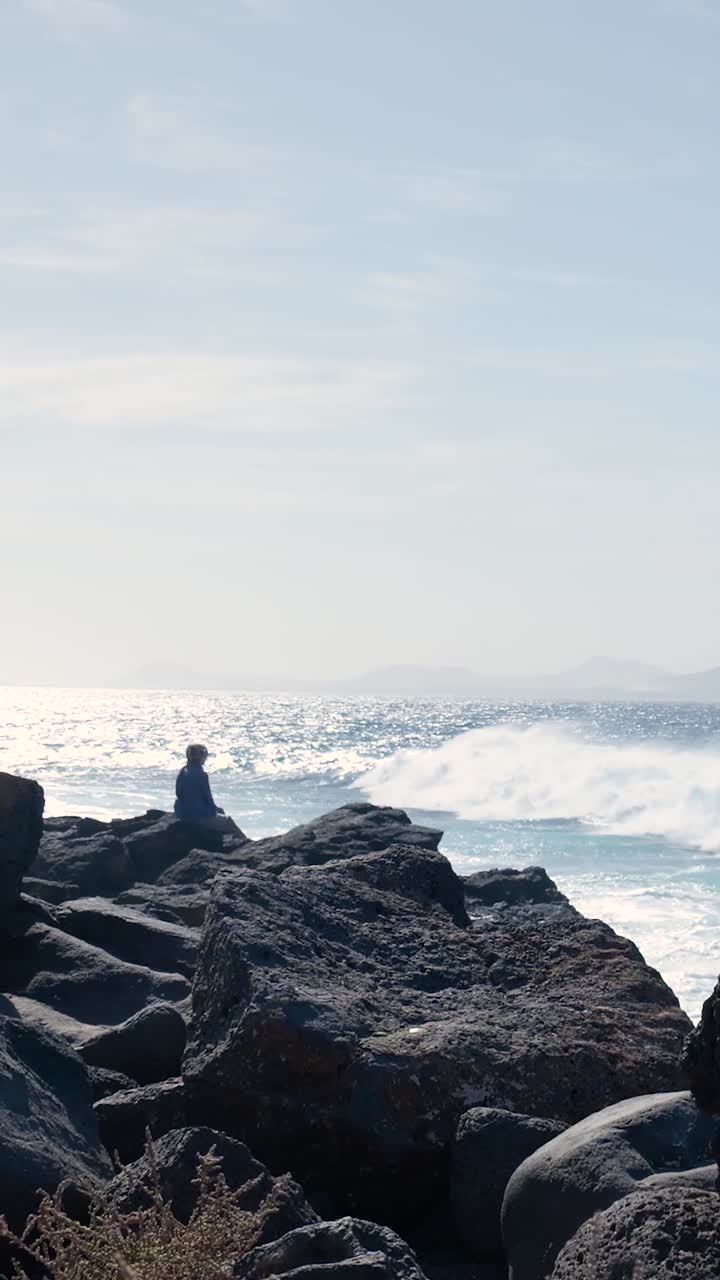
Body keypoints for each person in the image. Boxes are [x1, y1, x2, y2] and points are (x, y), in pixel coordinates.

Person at [174, 744, 240, 834]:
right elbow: (208, 798)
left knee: (220, 810)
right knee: (228, 822)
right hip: (197, 816)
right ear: (200, 756)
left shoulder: (183, 771)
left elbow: (179, 793)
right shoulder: (201, 775)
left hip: (182, 812)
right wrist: (213, 812)